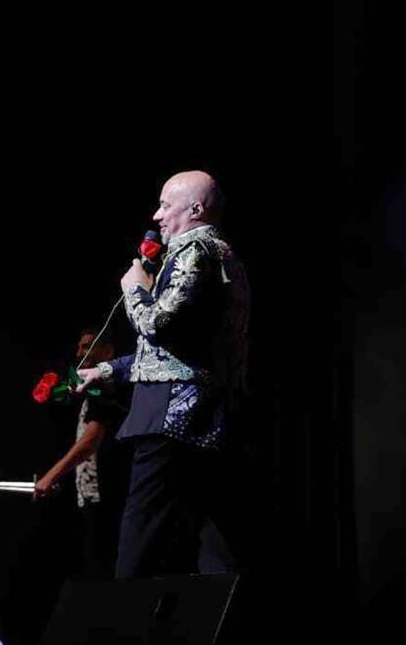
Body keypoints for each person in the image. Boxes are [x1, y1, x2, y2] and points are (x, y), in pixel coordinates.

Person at [76, 170, 250, 579]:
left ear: (195, 209)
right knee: (215, 537)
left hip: (171, 415)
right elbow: (178, 350)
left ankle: (122, 624)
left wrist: (135, 287)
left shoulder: (194, 251)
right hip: (212, 415)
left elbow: (158, 325)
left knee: (141, 531)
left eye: (165, 205)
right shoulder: (228, 256)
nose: (156, 215)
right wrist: (104, 369)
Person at [35, 329, 126, 577]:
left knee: (104, 568)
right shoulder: (91, 388)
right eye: (79, 347)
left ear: (108, 351)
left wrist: (51, 475)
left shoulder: (109, 386)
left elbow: (90, 441)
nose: (80, 353)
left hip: (109, 494)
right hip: (90, 494)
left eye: (87, 346)